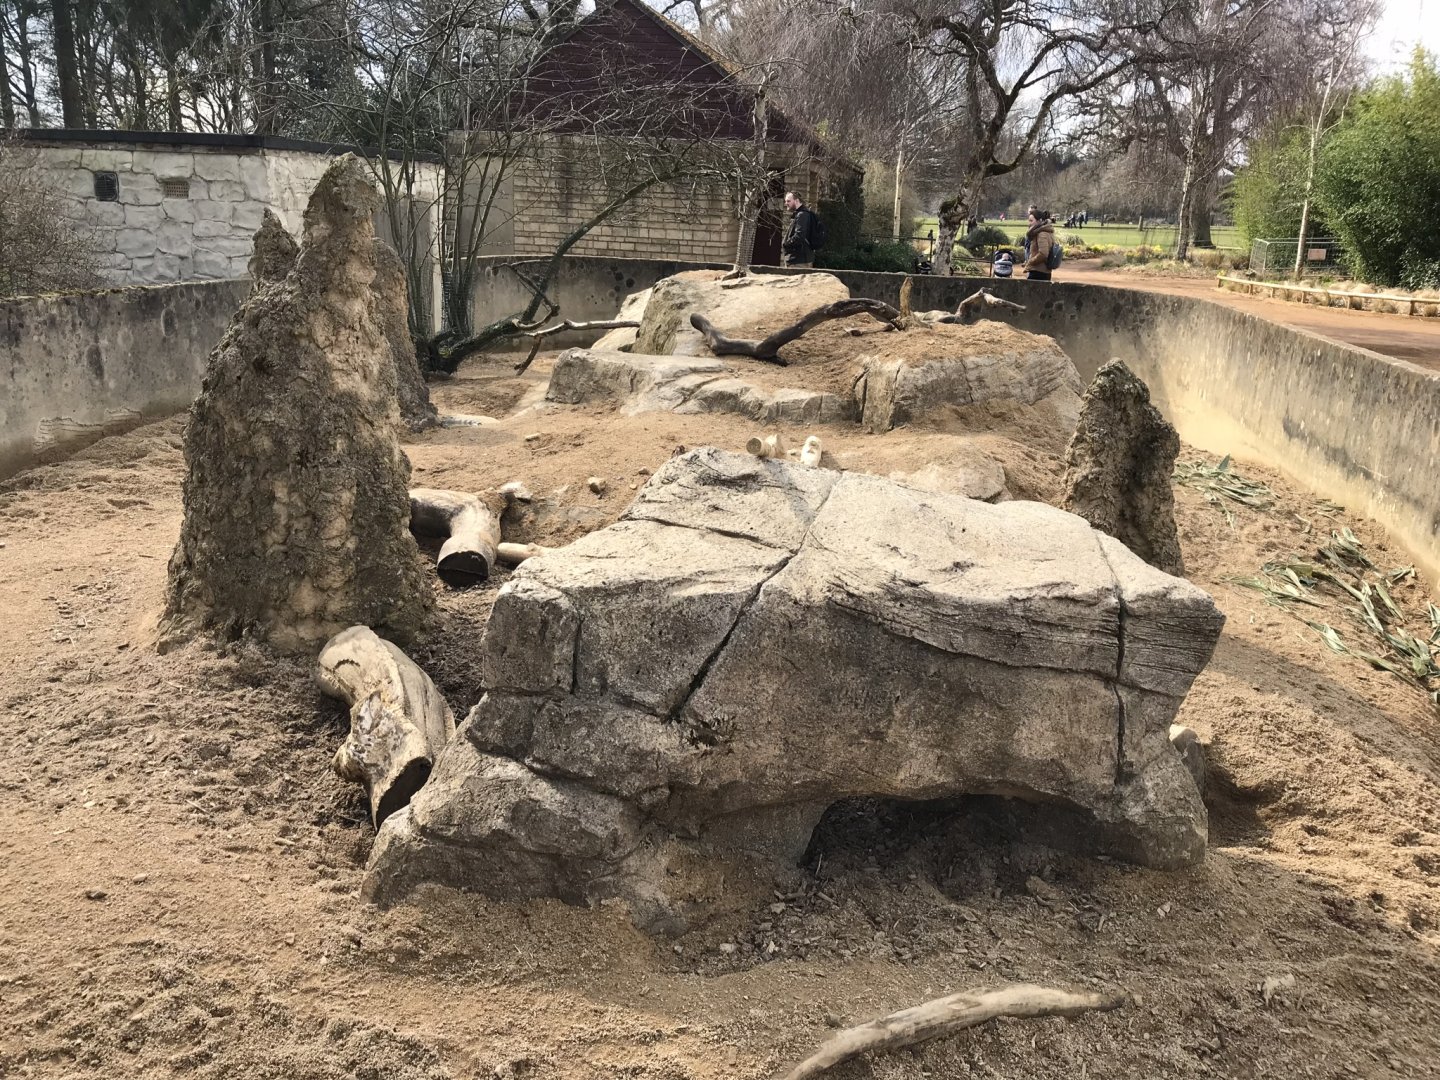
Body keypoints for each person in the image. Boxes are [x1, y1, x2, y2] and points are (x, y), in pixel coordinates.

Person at [782, 192, 817, 268]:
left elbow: (799, 236)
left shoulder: (802, 215)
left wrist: (786, 244)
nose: (786, 203)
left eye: (788, 201)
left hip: (799, 261)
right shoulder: (801, 214)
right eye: (785, 201)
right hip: (799, 259)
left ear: (796, 201)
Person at [1024, 209, 1055, 281]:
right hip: (1041, 271)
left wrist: (1031, 261)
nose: (1029, 223)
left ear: (1039, 221)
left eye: (1031, 221)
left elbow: (1043, 254)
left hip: (1038, 271)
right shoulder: (1043, 232)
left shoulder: (1042, 234)